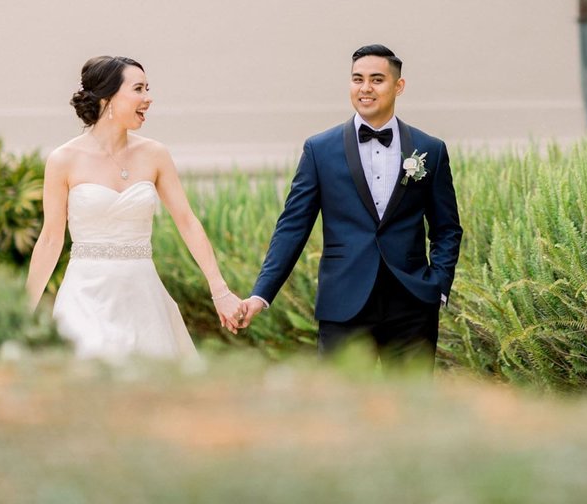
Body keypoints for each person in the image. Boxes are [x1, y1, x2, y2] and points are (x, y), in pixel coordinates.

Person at [235, 44, 463, 367]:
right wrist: (261, 294)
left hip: (412, 306)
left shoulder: (430, 149)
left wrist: (437, 286)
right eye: (357, 79)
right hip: (343, 306)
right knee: (343, 409)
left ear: (399, 86)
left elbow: (447, 228)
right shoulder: (320, 150)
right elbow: (292, 228)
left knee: (410, 408)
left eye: (376, 79)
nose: (365, 88)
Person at [26, 55, 243, 360]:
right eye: (138, 89)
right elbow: (50, 239)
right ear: (108, 98)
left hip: (144, 296)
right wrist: (23, 312)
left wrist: (219, 290)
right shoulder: (63, 160)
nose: (148, 98)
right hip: (85, 295)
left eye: (147, 88)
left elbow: (187, 222)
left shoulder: (155, 155)